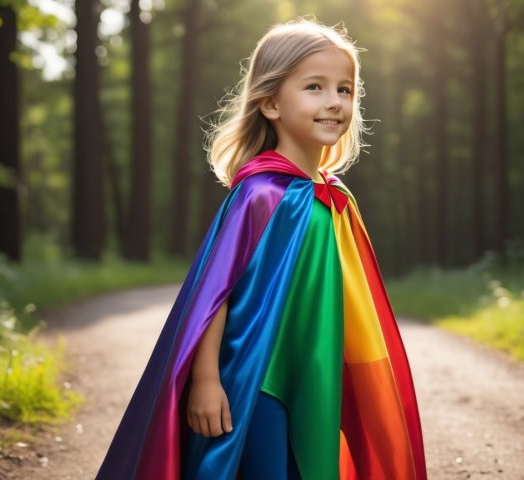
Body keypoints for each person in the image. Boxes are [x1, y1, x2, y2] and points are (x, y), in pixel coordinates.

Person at [96, 18, 427, 480]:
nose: (334, 102)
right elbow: (215, 294)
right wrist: (207, 380)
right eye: (314, 87)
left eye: (345, 89)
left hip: (317, 374)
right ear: (270, 102)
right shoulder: (262, 195)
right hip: (256, 377)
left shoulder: (335, 199)